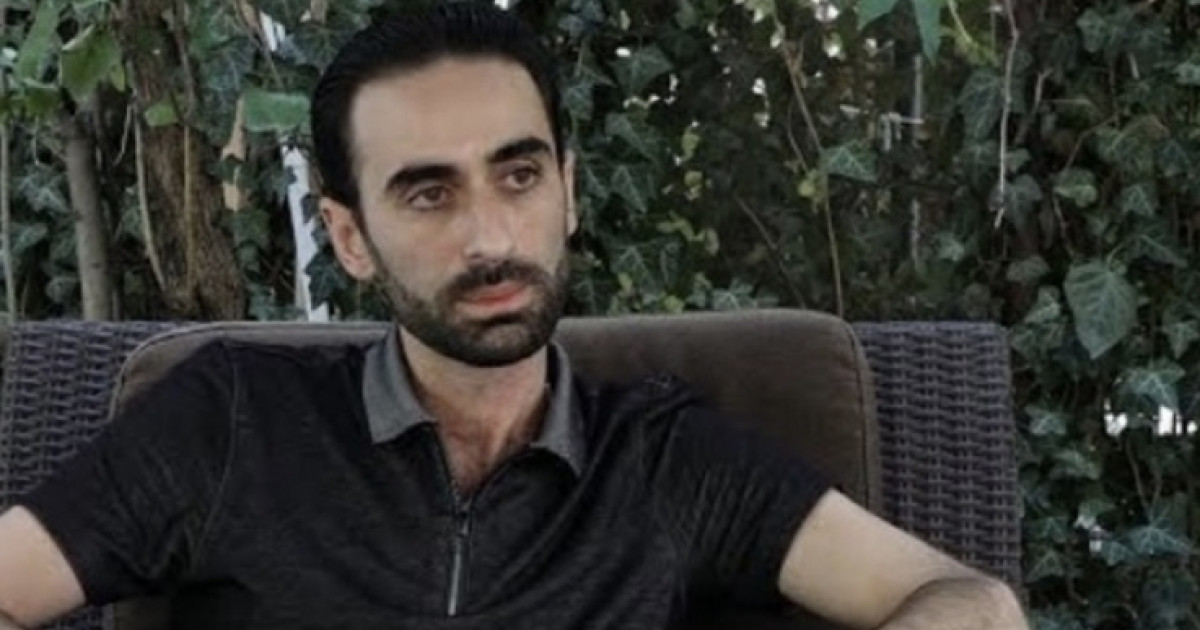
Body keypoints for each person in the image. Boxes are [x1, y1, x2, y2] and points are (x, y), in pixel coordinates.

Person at [0, 4, 1028, 629]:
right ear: (349, 235)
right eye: (428, 193)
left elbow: (969, 601)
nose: (490, 237)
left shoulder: (667, 458)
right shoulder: (232, 416)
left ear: (568, 191)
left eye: (519, 175)